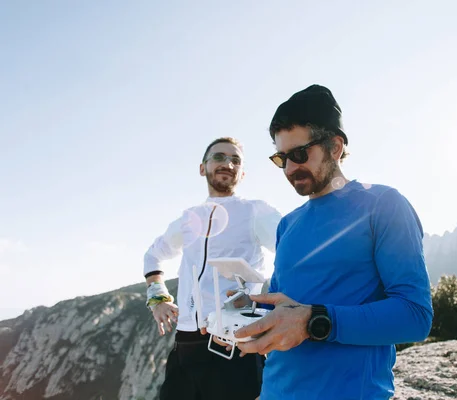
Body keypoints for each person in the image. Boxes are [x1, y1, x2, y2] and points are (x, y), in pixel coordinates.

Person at [234, 85, 433, 400]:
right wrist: (238, 316)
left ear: (336, 146)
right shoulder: (288, 225)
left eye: (300, 154)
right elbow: (287, 306)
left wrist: (314, 321)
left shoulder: (383, 204)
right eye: (281, 158)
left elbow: (415, 315)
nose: (289, 168)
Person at [143, 137, 281, 400]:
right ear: (202, 167)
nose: (227, 163)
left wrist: (274, 308)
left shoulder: (255, 211)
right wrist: (157, 297)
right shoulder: (189, 217)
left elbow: (295, 254)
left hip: (233, 346)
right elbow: (154, 255)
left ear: (242, 172)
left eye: (235, 160)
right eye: (218, 157)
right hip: (185, 345)